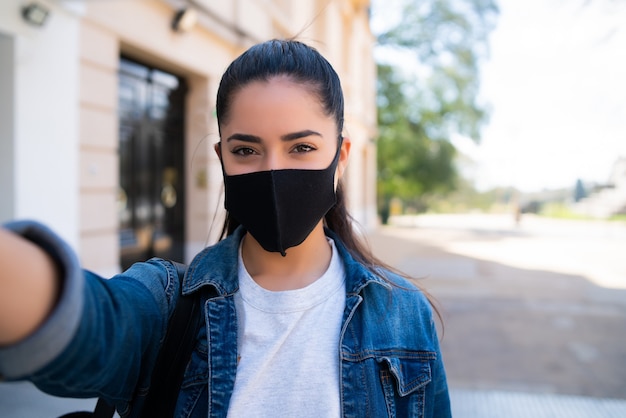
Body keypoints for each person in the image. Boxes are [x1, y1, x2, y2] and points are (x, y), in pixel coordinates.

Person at [0, 39, 451, 417]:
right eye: (247, 151)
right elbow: (92, 325)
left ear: (341, 156)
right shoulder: (167, 306)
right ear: (222, 158)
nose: (274, 172)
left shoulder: (403, 314)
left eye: (301, 147)